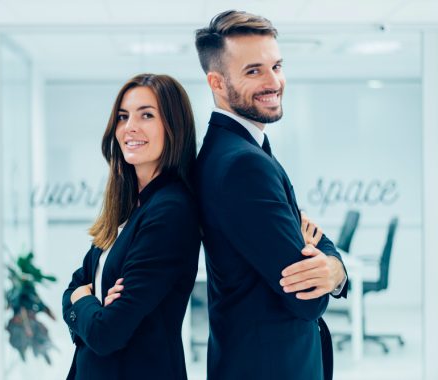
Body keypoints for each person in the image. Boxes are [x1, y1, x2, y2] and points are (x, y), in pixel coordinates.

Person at [194, 10, 348, 380]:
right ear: (217, 82)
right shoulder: (241, 164)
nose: (273, 81)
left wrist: (330, 264)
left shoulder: (238, 150)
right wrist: (332, 267)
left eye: (276, 66)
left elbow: (306, 232)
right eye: (253, 71)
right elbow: (307, 298)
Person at [62, 73, 201, 380]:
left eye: (147, 115)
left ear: (173, 126)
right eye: (123, 117)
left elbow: (105, 333)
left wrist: (82, 301)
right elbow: (74, 283)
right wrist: (88, 303)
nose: (130, 128)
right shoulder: (128, 206)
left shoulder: (170, 211)